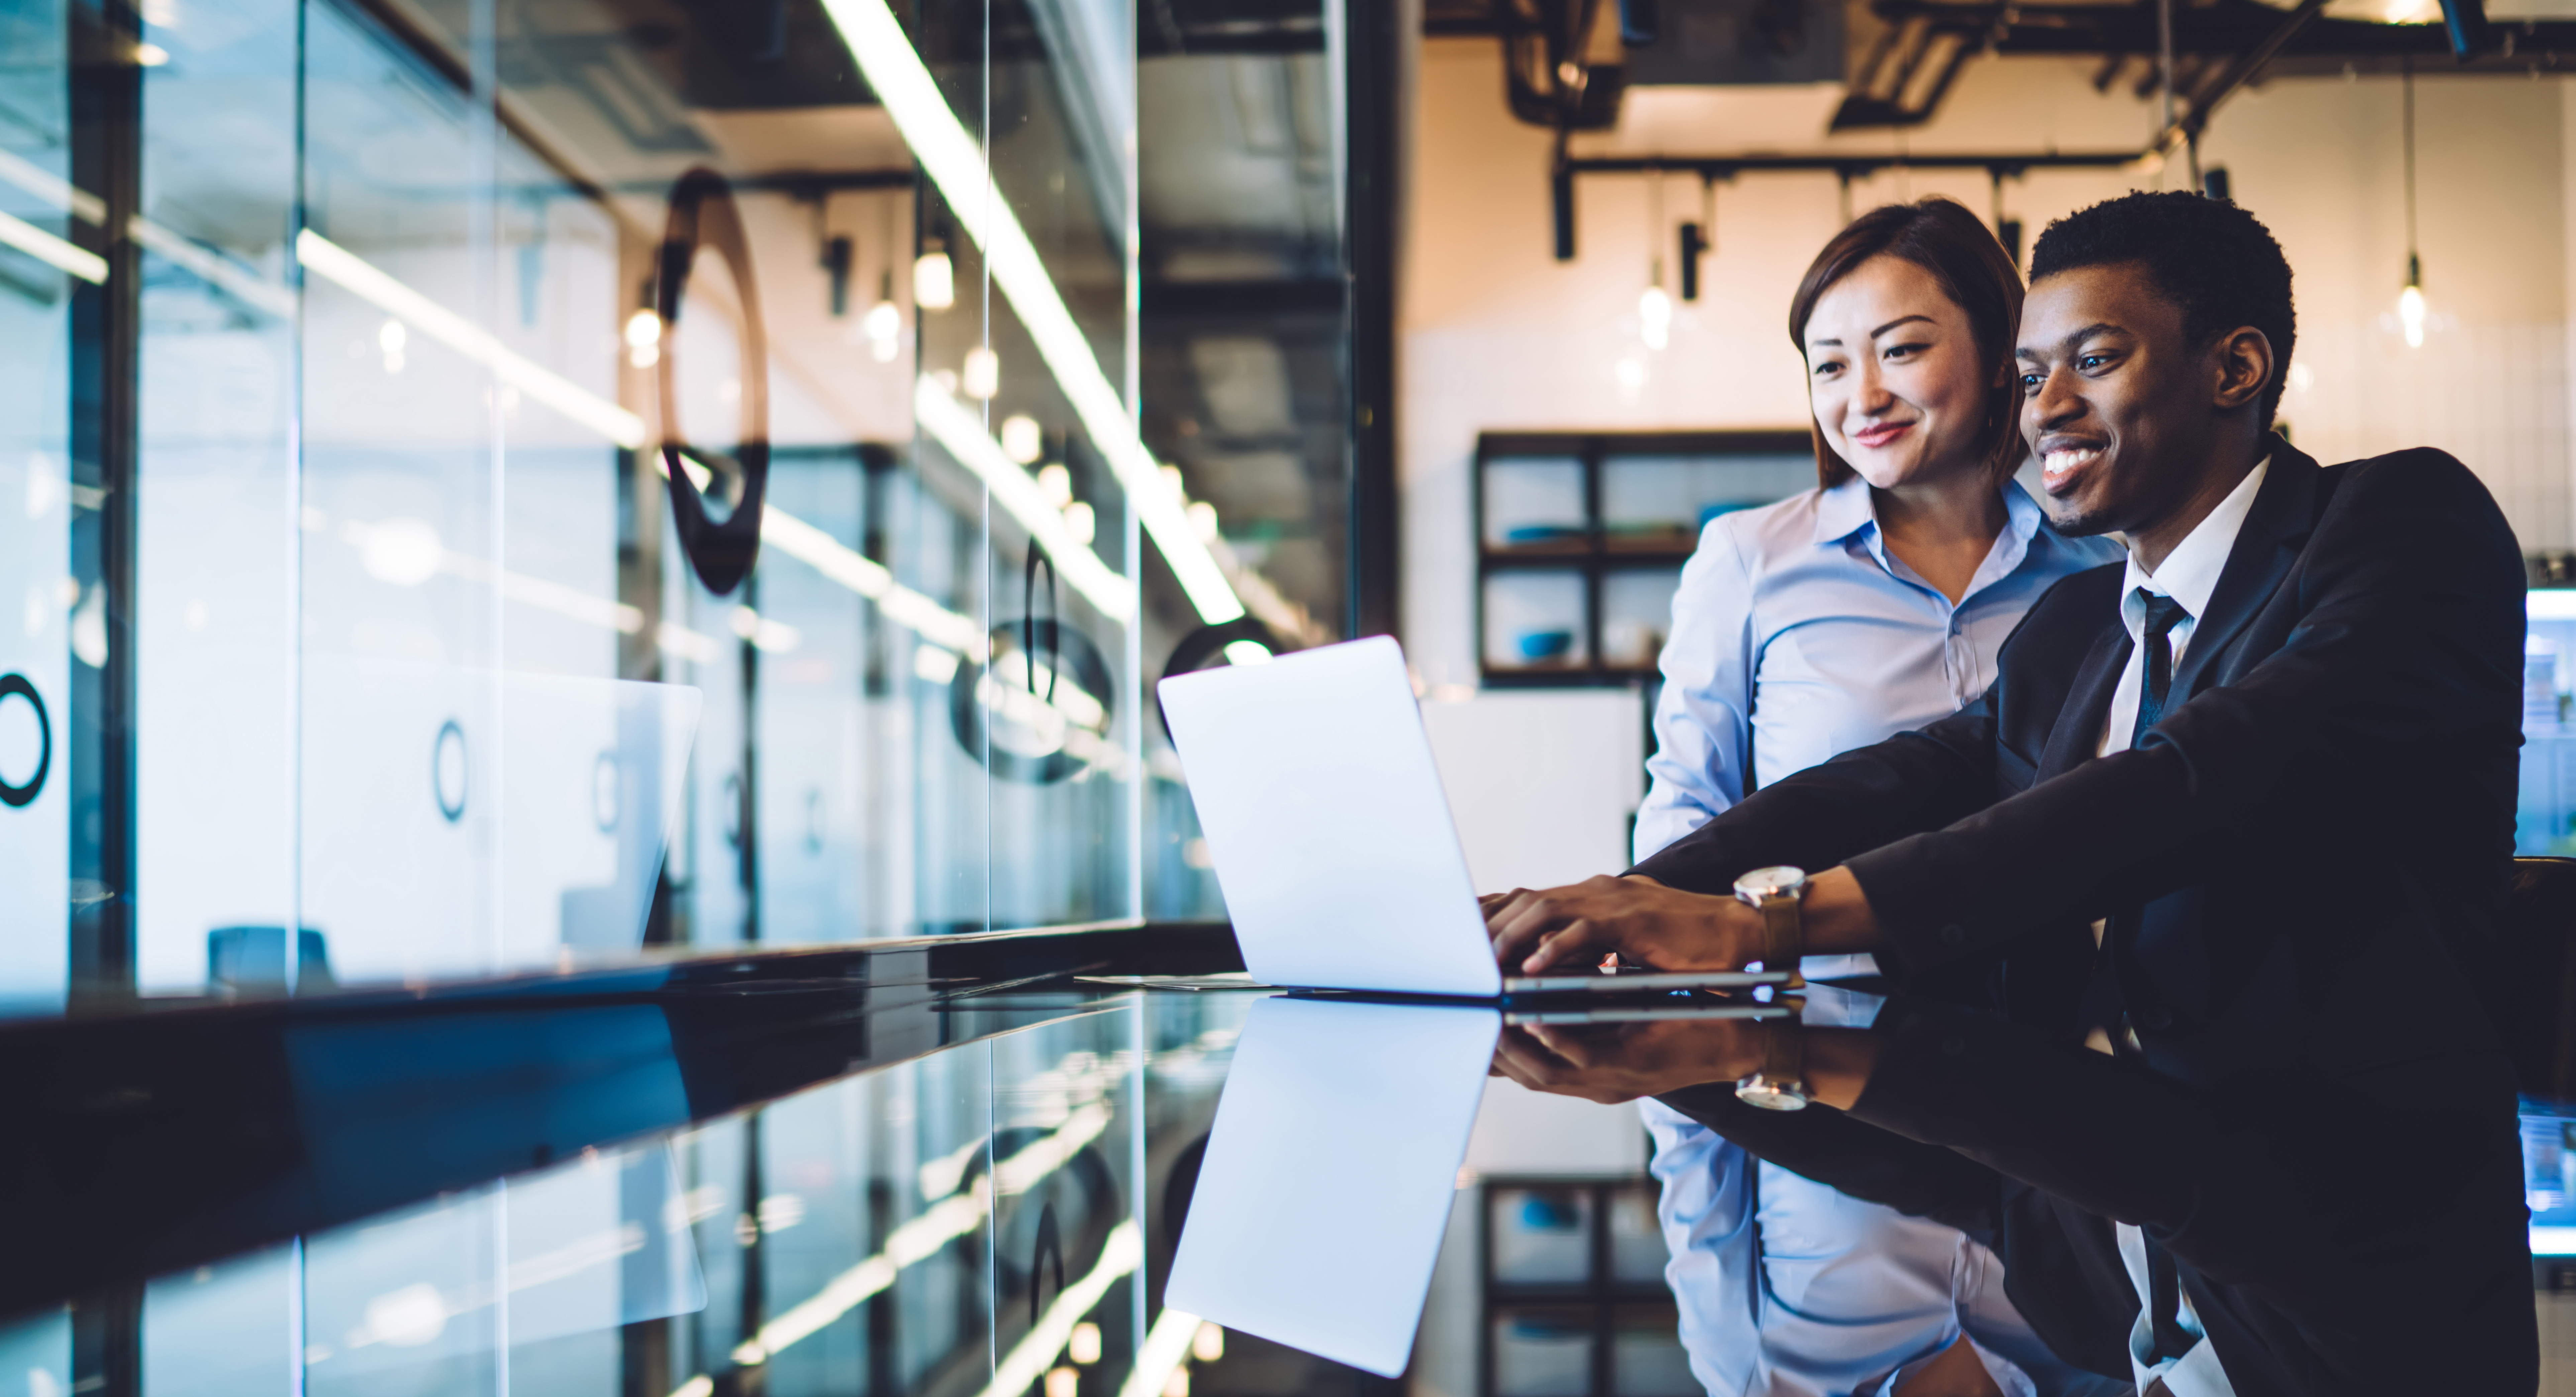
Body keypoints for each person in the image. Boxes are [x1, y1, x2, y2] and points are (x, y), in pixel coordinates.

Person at [1487, 191, 2537, 1393]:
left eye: (2094, 360)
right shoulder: (2081, 623)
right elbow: (1890, 784)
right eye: (2032, 375)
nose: (2044, 409)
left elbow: (2198, 783)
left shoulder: (2400, 520)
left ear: (2236, 368)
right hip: (2141, 1191)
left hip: (2366, 1234)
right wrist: (1611, 909)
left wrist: (1761, 927)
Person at [1624, 197, 2120, 1397]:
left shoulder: (2106, 560)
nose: (1863, 396)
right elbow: (1688, 806)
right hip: (1813, 1050)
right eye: (1829, 365)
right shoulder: (1752, 559)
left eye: (1901, 349)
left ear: (2000, 353)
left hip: (2066, 1051)